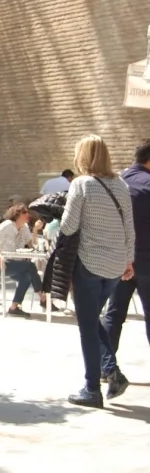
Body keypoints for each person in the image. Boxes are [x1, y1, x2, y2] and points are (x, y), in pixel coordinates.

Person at [60, 134, 134, 408]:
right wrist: (128, 260)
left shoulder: (81, 184)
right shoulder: (121, 185)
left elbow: (68, 227)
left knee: (87, 326)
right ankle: (112, 371)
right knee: (92, 319)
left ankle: (92, 389)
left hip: (89, 264)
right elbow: (129, 228)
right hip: (115, 266)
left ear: (83, 156)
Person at [101, 139, 150, 381]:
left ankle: (105, 367)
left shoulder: (114, 183)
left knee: (114, 313)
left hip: (117, 260)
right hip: (145, 259)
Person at [0, 203, 57, 317]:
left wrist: (35, 230)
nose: (27, 214)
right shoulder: (8, 225)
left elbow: (32, 245)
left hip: (13, 263)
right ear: (16, 214)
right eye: (24, 212)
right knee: (30, 266)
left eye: (27, 212)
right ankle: (43, 298)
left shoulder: (24, 227)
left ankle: (14, 307)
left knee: (26, 276)